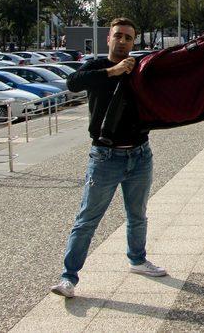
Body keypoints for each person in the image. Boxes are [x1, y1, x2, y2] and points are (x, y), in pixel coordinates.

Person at [51, 17, 166, 299]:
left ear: (133, 40)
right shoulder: (96, 66)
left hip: (140, 154)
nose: (123, 41)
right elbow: (73, 82)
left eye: (128, 37)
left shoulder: (139, 67)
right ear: (109, 39)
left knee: (137, 214)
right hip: (105, 156)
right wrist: (112, 72)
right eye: (118, 36)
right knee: (88, 218)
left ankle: (138, 260)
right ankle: (69, 278)